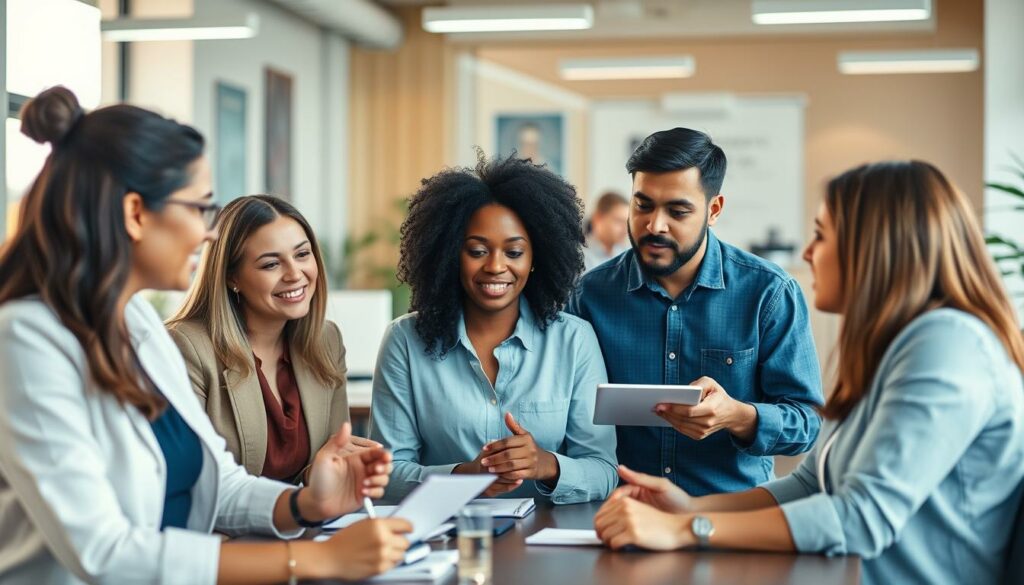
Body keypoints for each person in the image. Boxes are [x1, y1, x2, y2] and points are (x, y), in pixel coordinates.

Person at [0, 87, 412, 584]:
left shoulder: (137, 323)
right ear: (135, 213)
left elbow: (221, 485)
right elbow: (103, 553)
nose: (208, 233)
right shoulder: (25, 340)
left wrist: (306, 502)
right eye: (198, 208)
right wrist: (315, 559)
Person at [592, 160, 1024, 585]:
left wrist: (685, 531)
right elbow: (808, 482)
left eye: (821, 235)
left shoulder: (948, 344)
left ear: (873, 247)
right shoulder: (896, 348)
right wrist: (689, 509)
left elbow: (860, 518)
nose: (807, 252)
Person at [568, 127, 823, 496]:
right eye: (643, 205)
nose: (655, 225)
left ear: (713, 210)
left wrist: (739, 416)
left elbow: (807, 424)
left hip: (730, 518)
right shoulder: (590, 295)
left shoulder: (768, 293)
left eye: (678, 211)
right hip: (621, 512)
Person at [370, 154, 617, 504]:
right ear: (449, 255)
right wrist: (462, 477)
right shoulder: (404, 342)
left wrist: (545, 465)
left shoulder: (573, 341)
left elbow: (603, 470)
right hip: (443, 543)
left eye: (514, 252)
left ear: (537, 260)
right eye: (477, 250)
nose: (496, 266)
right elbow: (387, 474)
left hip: (547, 546)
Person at [167, 195, 373, 484]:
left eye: (302, 254)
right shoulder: (187, 346)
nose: (295, 274)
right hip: (227, 527)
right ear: (231, 278)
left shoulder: (326, 340)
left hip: (310, 524)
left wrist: (325, 475)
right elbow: (193, 481)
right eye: (270, 264)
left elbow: (334, 458)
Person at [583, 191, 630, 271]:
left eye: (627, 223)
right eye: (619, 221)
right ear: (597, 218)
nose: (625, 229)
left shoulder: (625, 254)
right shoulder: (580, 257)